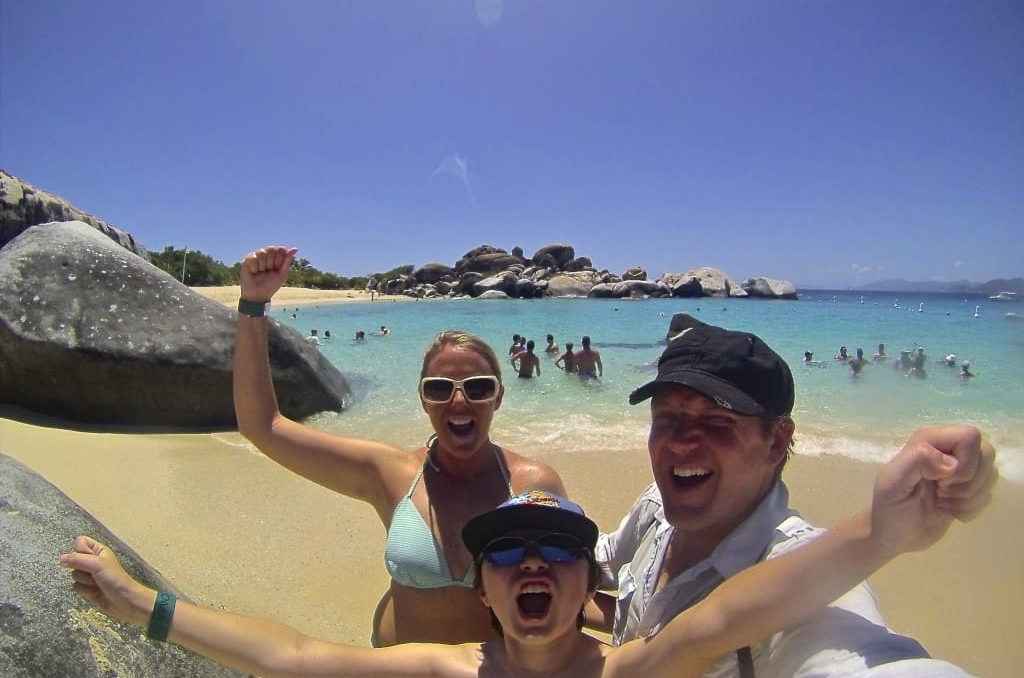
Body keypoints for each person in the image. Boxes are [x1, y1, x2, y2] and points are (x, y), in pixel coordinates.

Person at [62, 443, 989, 678]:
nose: (531, 561)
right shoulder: (448, 667)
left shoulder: (636, 664)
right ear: (487, 589)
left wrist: (880, 533)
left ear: (593, 584)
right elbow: (292, 657)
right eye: (506, 552)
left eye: (557, 548)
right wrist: (138, 602)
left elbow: (746, 607)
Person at [592, 314, 996, 677]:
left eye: (717, 421)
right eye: (667, 418)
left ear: (776, 442)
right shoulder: (655, 509)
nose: (680, 442)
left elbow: (857, 659)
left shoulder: (800, 571)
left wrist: (882, 533)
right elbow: (602, 559)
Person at [233, 245, 566, 646]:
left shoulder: (533, 486)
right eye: (440, 389)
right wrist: (253, 306)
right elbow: (263, 426)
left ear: (498, 397)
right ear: (423, 399)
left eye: (478, 388)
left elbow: (571, 594)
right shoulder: (389, 474)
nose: (459, 401)